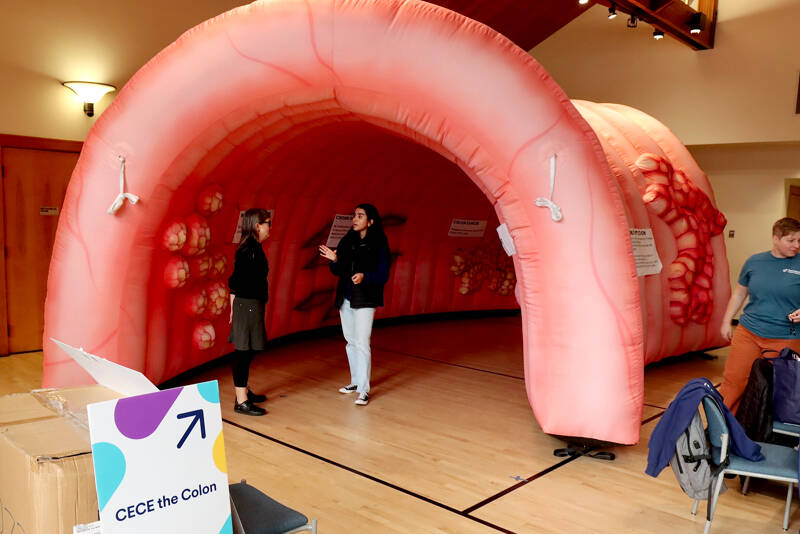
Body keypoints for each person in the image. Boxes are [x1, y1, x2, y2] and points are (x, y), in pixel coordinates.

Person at [718, 217, 800, 412]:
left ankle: (771, 434)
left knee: (780, 389)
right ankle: (722, 429)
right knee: (734, 382)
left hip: (786, 337)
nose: (796, 245)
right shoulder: (755, 262)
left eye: (799, 240)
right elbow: (740, 292)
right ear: (775, 238)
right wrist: (726, 320)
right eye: (791, 240)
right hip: (749, 333)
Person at [319, 204, 391, 406]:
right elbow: (339, 270)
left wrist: (365, 277)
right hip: (347, 296)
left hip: (366, 297)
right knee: (350, 341)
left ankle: (364, 390)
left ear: (371, 221)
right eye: (354, 215)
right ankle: (355, 382)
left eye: (360, 216)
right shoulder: (347, 240)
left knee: (362, 341)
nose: (355, 219)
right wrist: (334, 260)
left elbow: (383, 274)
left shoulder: (379, 243)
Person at [228, 208, 272, 416]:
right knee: (243, 351)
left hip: (252, 304)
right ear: (257, 226)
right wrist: (234, 309)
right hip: (247, 305)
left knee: (252, 348)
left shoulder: (255, 247)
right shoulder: (248, 250)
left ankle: (242, 390)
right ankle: (241, 401)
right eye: (268, 223)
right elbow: (235, 282)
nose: (269, 227)